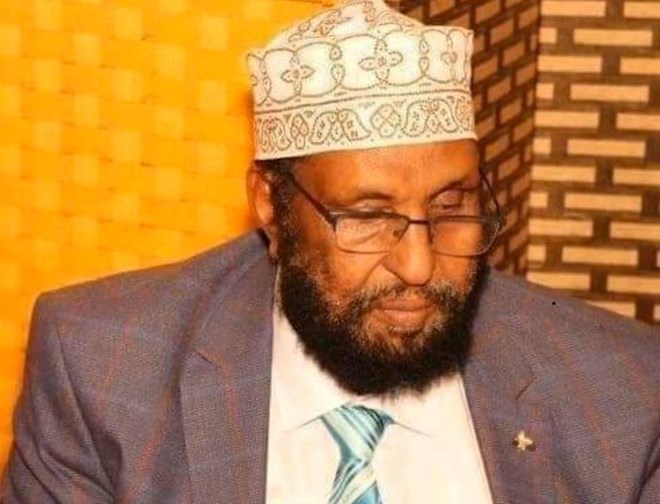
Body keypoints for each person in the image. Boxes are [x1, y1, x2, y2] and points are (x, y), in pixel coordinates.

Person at [2, 0, 659, 502]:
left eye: (450, 207)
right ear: (271, 205)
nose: (418, 265)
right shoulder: (105, 373)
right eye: (368, 218)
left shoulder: (625, 394)